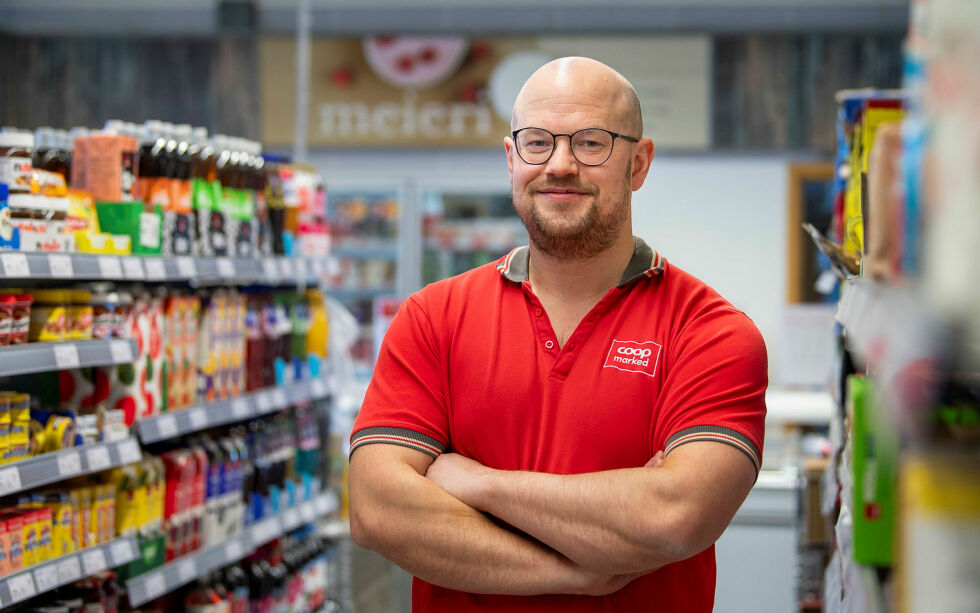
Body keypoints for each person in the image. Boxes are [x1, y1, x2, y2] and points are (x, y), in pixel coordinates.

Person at [348, 56, 768, 612]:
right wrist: (579, 573)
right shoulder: (433, 317)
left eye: (591, 143)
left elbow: (675, 517)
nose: (561, 164)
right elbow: (378, 510)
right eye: (537, 142)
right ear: (511, 157)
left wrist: (476, 483)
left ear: (638, 164)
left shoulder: (709, 331)